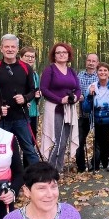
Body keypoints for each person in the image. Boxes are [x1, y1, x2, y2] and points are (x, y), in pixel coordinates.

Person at [0, 34, 40, 165]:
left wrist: (25, 98)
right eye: (6, 46)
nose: (10, 49)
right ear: (1, 48)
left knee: (29, 150)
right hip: (1, 118)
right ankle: (2, 179)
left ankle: (39, 180)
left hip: (22, 117)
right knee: (1, 151)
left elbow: (33, 91)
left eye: (12, 47)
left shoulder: (26, 68)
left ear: (17, 49)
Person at [40, 43, 82, 172]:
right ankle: (49, 170)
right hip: (55, 109)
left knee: (64, 141)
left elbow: (78, 89)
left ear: (69, 55)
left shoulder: (71, 71)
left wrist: (75, 97)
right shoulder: (50, 70)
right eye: (58, 52)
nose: (62, 54)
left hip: (69, 110)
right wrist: (59, 100)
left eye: (64, 52)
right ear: (54, 55)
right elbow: (44, 89)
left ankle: (58, 168)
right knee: (58, 141)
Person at [81, 63, 109, 171]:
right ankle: (106, 160)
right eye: (100, 70)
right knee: (103, 142)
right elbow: (85, 108)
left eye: (105, 70)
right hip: (99, 119)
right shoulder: (92, 87)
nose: (103, 72)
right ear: (97, 72)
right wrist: (90, 95)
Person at [76, 54, 99, 172]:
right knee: (79, 140)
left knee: (98, 140)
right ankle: (80, 166)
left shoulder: (100, 75)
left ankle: (95, 164)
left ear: (97, 63)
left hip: (97, 113)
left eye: (93, 61)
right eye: (89, 60)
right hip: (83, 113)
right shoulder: (79, 75)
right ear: (86, 62)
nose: (91, 63)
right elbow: (75, 90)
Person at [21, 47, 42, 140]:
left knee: (32, 140)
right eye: (27, 56)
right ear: (21, 57)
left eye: (32, 57)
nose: (30, 59)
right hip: (21, 113)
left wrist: (38, 96)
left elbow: (36, 91)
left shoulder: (35, 74)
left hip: (34, 112)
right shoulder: (18, 73)